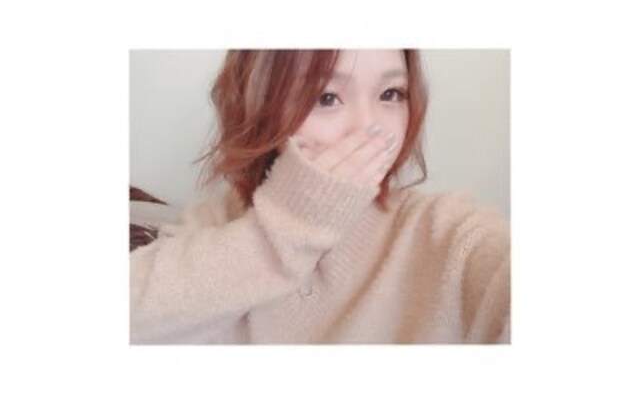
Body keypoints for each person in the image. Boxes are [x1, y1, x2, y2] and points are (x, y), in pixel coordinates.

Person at [130, 49, 510, 344]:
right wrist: (283, 232)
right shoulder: (216, 221)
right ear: (261, 106)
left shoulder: (450, 235)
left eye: (391, 94)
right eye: (326, 97)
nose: (370, 128)